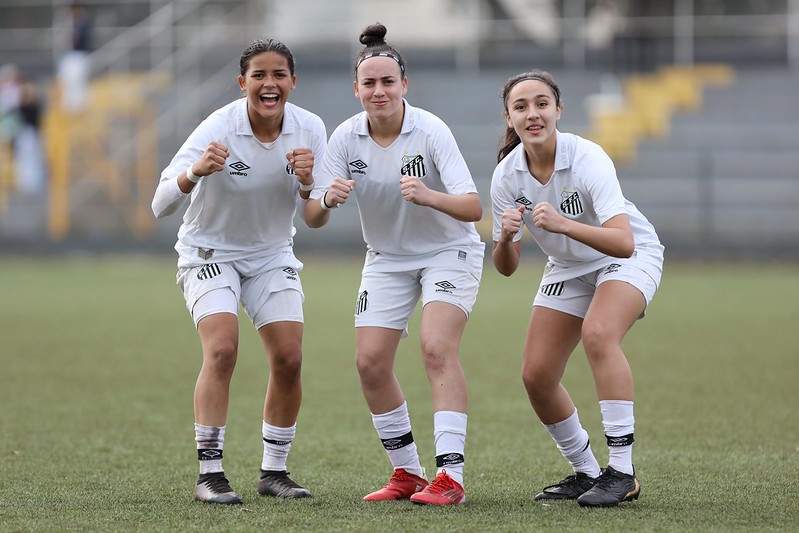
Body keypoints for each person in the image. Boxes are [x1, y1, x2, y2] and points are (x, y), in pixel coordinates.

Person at [305, 23, 484, 507]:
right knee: (369, 363)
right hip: (386, 259)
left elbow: (473, 207)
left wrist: (429, 196)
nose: (379, 91)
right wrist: (326, 198)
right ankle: (406, 472)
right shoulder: (344, 137)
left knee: (435, 348)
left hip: (449, 251)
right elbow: (313, 218)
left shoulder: (430, 130)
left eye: (388, 82)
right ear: (356, 89)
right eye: (370, 83)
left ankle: (451, 478)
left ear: (405, 85)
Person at [151, 38, 326, 505]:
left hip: (271, 254)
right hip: (210, 253)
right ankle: (210, 474)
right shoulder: (219, 127)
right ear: (242, 82)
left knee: (289, 358)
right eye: (259, 76)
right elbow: (160, 203)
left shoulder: (310, 128)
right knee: (223, 350)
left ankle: (274, 472)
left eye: (279, 75)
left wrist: (311, 185)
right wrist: (197, 171)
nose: (270, 85)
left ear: (292, 81)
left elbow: (315, 216)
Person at [490, 70, 664, 508]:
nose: (533, 114)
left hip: (628, 255)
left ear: (558, 110)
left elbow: (623, 242)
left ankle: (622, 471)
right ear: (509, 118)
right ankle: (586, 471)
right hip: (567, 266)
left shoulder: (587, 157)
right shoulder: (506, 176)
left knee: (599, 334)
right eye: (521, 106)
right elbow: (505, 268)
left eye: (542, 103)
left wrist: (564, 223)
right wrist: (508, 238)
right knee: (536, 375)